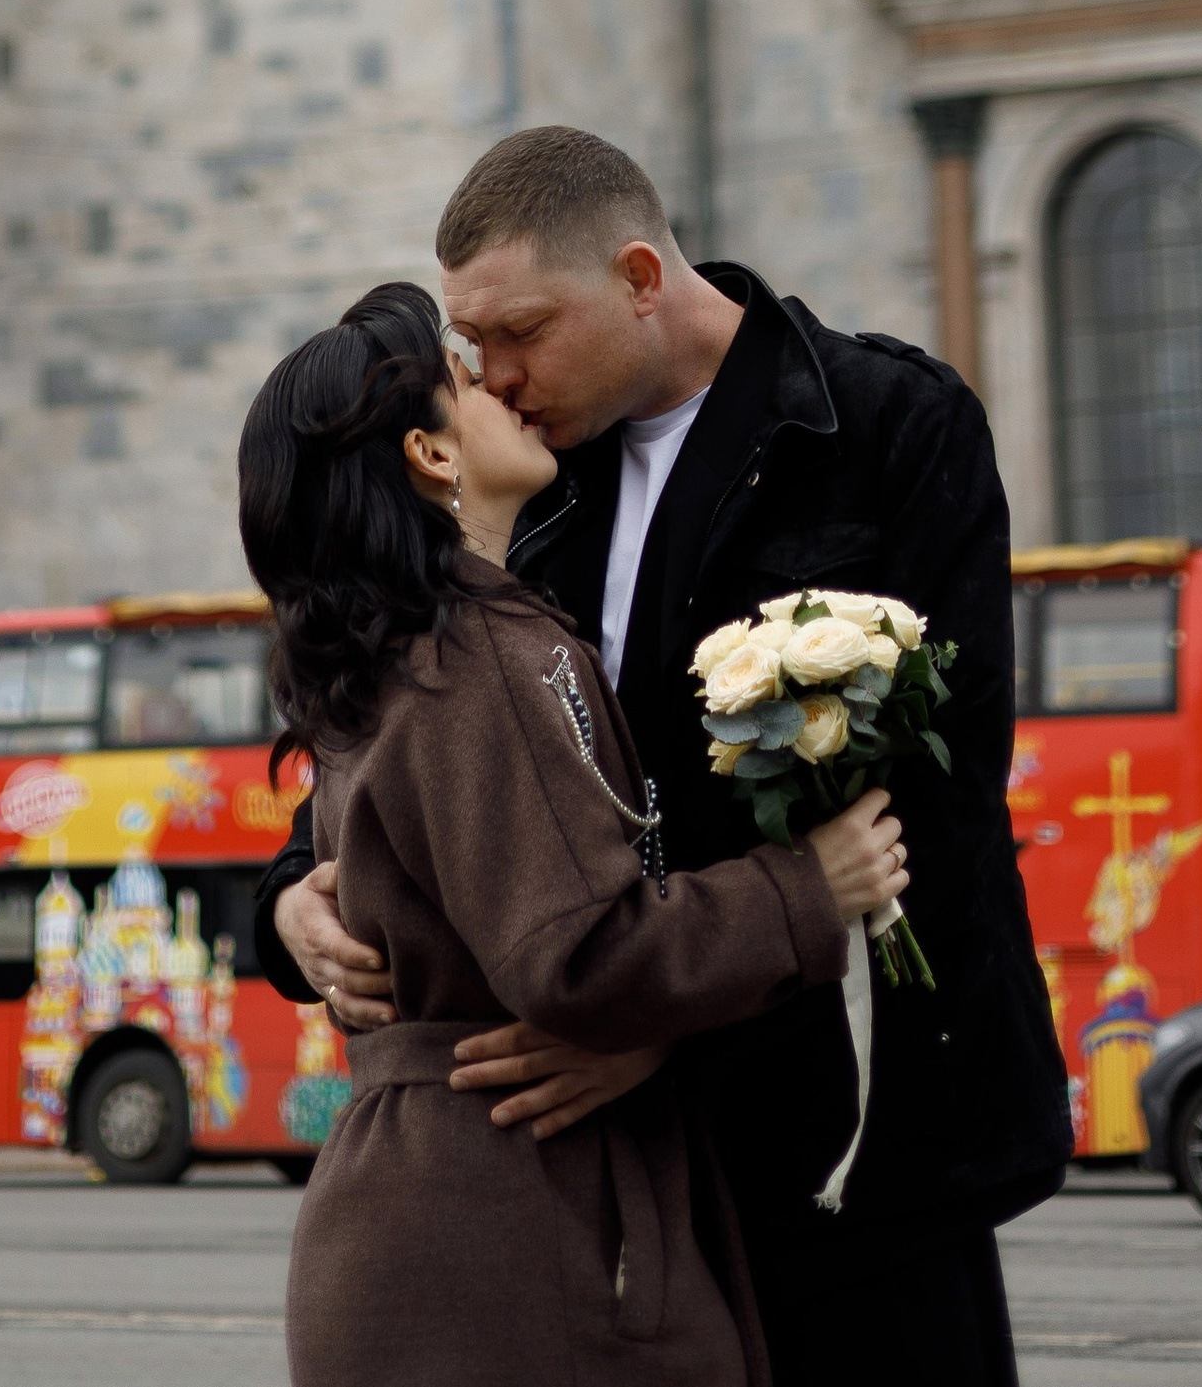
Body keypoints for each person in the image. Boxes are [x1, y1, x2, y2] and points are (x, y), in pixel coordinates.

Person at [258, 129, 1069, 1387]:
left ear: (639, 274)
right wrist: (285, 903)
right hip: (605, 1162)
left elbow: (935, 804)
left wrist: (658, 1026)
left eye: (522, 330)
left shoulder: (886, 424)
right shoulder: (515, 479)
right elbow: (412, 726)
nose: (497, 375)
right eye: (472, 350)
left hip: (852, 1136)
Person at [242, 283, 898, 1387]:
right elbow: (579, 956)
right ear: (433, 458)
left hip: (435, 1218)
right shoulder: (482, 653)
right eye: (463, 374)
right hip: (515, 1231)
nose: (499, 380)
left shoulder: (400, 653)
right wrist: (806, 886)